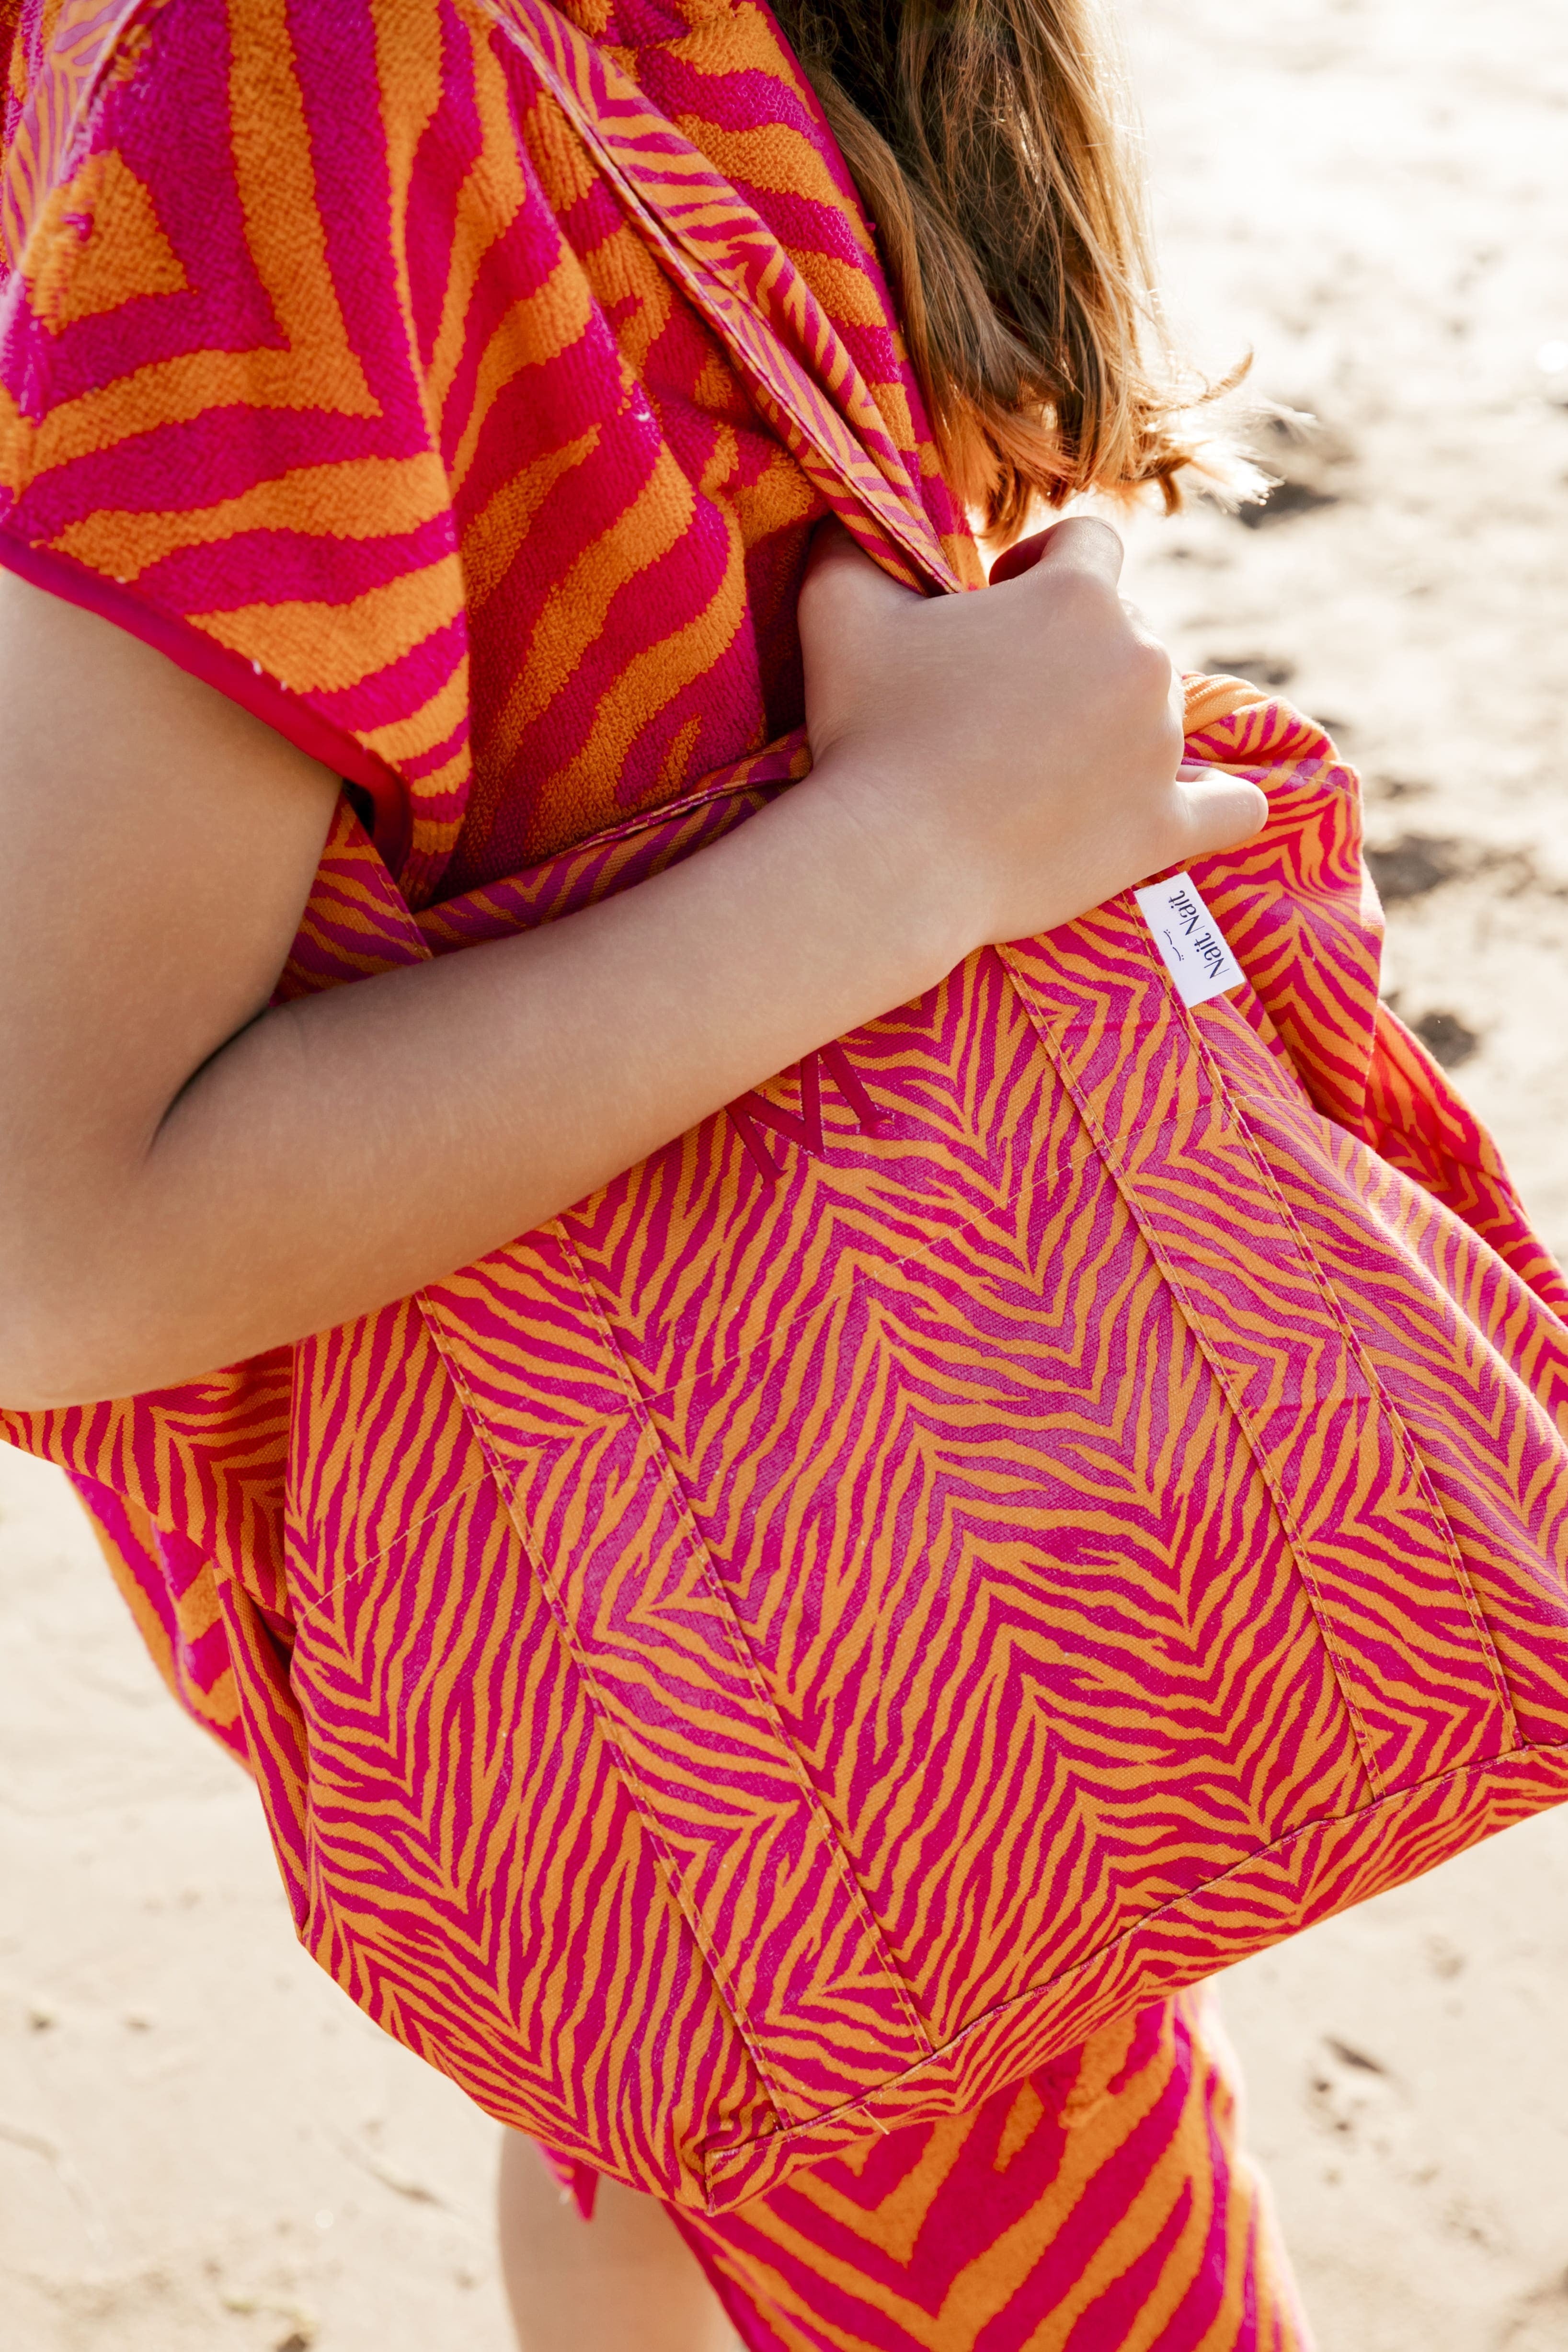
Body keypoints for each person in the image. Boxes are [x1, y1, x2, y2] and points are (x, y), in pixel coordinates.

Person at [0, 0, 1306, 2342]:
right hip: (771, 1523)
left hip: (663, 1507)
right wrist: (918, 845)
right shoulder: (294, 64)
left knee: (656, 2110)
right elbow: (43, 1236)